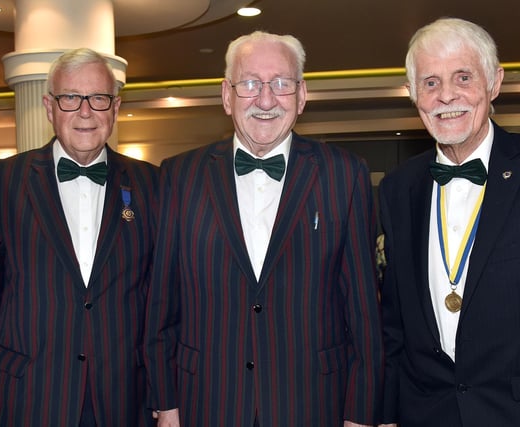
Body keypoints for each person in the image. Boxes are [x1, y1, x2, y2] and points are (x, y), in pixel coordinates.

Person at [143, 31, 383, 426]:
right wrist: (165, 401)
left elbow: (362, 310)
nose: (266, 100)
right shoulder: (179, 175)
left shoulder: (345, 173)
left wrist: (360, 412)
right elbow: (162, 303)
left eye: (281, 84)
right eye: (251, 83)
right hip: (206, 401)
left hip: (314, 403)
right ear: (226, 95)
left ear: (302, 95)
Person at [378, 17, 520, 427]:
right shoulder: (397, 188)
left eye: (463, 77)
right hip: (427, 414)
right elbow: (395, 326)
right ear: (412, 93)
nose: (446, 95)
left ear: (494, 83)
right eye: (430, 82)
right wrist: (385, 410)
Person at [0, 48, 158, 427]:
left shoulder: (153, 184)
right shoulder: (0, 182)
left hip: (125, 396)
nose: (85, 111)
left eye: (98, 98)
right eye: (70, 98)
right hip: (27, 393)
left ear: (115, 106)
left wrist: (165, 392)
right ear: (49, 106)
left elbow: (160, 298)